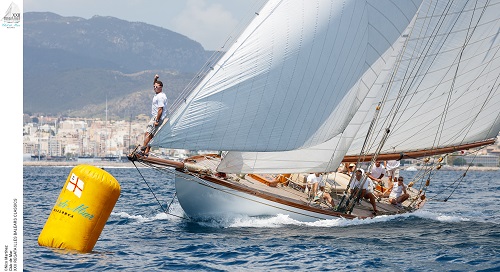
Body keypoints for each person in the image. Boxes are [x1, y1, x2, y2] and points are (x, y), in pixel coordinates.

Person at [140, 74, 168, 156]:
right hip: (155, 117)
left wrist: (157, 120)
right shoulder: (158, 94)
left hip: (157, 117)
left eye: (156, 87)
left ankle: (143, 151)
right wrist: (155, 79)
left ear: (161, 87)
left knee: (148, 134)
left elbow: (160, 109)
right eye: (154, 86)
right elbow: (155, 84)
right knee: (150, 134)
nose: (155, 88)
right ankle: (146, 152)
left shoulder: (161, 97)